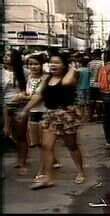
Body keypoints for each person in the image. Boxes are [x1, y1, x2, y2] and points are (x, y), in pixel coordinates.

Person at [19, 51, 85, 189]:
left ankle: (80, 172)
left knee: (71, 146)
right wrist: (25, 109)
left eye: (57, 62)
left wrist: (72, 67)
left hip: (66, 115)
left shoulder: (70, 76)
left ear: (64, 64)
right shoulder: (46, 79)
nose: (53, 65)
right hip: (50, 115)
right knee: (46, 146)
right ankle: (48, 178)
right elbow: (38, 96)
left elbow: (66, 82)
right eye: (51, 62)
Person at [2, 48, 28, 176]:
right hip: (4, 107)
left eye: (9, 55)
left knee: (21, 135)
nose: (6, 57)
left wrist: (22, 95)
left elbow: (30, 89)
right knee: (7, 133)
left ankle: (22, 161)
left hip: (20, 106)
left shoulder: (25, 72)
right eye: (5, 55)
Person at [88, 49, 104, 121]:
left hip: (90, 84)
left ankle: (90, 116)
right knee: (98, 100)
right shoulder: (101, 63)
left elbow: (89, 74)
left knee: (91, 100)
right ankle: (98, 116)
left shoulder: (90, 63)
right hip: (98, 84)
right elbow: (102, 74)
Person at [77, 55, 91, 122]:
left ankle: (82, 117)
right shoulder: (88, 70)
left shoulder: (78, 70)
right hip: (88, 87)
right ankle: (88, 117)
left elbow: (77, 79)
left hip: (80, 88)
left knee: (81, 103)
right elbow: (90, 78)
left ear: (81, 63)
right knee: (87, 103)